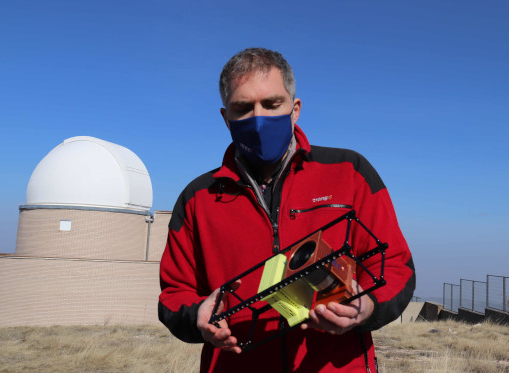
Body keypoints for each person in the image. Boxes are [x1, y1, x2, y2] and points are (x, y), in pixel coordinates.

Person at [159, 47, 415, 373]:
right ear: (226, 118)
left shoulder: (350, 172)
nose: (258, 118)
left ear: (295, 109)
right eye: (243, 107)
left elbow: (396, 266)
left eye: (271, 104)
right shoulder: (197, 199)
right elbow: (173, 293)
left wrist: (367, 307)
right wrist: (196, 316)